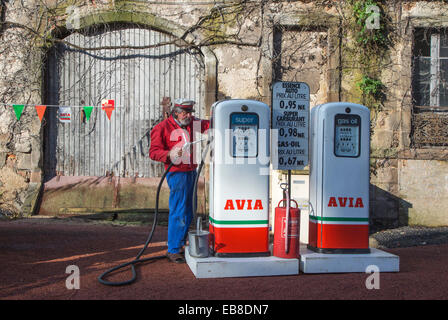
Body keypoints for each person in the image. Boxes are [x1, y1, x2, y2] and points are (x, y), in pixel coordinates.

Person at [149, 98, 210, 263]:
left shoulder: (194, 123)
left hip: (191, 171)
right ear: (176, 112)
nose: (189, 115)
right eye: (185, 112)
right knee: (180, 210)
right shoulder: (161, 128)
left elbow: (211, 124)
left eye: (190, 112)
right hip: (176, 173)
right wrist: (168, 154)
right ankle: (173, 249)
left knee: (190, 210)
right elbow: (153, 152)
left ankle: (181, 244)